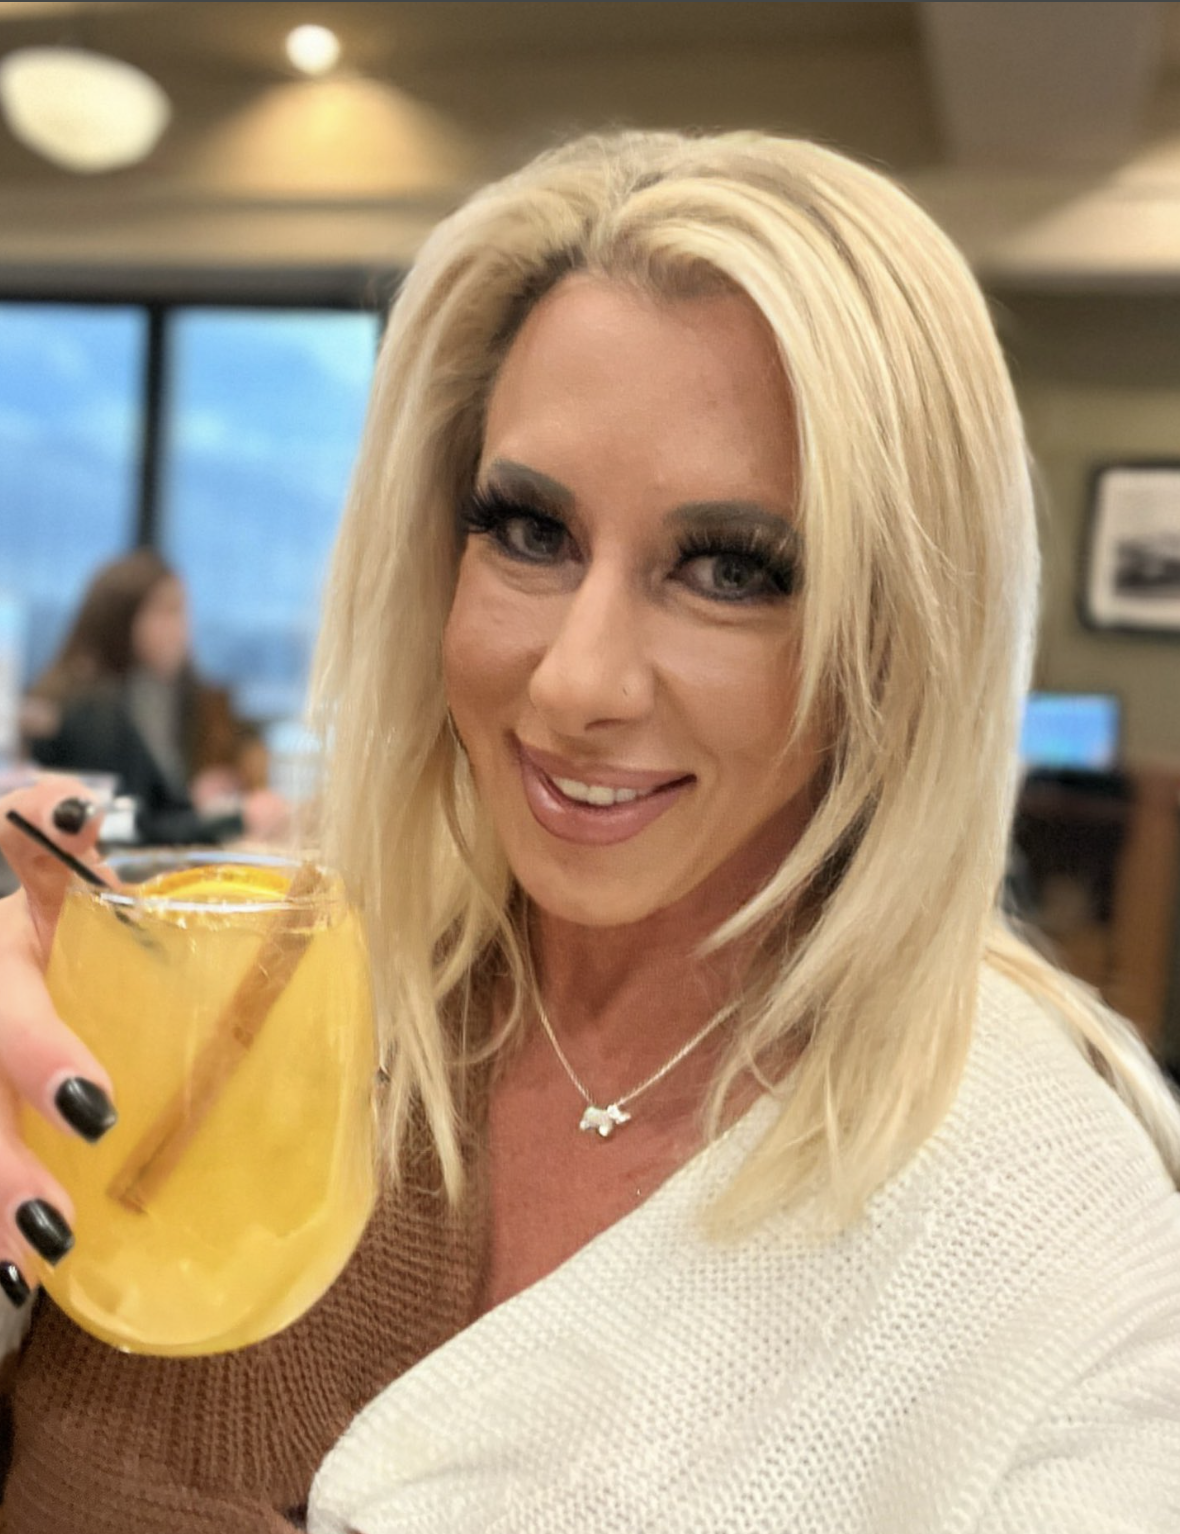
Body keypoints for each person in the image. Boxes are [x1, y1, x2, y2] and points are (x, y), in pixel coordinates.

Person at [0, 129, 1179, 1533]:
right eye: (529, 532)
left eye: (730, 568)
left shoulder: (1056, 1231)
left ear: (899, 639)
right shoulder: (244, 1007)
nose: (575, 682)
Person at [22, 548, 285, 844]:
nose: (182, 628)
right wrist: (237, 819)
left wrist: (195, 803)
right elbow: (123, 831)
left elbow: (147, 810)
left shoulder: (141, 695)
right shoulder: (90, 710)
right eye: (168, 611)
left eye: (183, 611)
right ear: (121, 618)